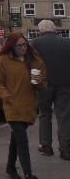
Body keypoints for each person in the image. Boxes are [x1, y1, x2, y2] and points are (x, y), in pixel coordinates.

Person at [0, 32, 47, 179]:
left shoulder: (35, 60)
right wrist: (7, 96)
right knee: (22, 139)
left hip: (28, 105)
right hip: (12, 106)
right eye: (19, 45)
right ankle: (29, 175)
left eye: (25, 44)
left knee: (16, 138)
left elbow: (44, 84)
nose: (23, 48)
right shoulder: (3, 60)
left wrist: (39, 82)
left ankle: (10, 168)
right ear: (12, 46)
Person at [32, 19, 70, 160]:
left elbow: (32, 65)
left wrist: (34, 83)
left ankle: (46, 146)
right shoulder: (67, 42)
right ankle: (66, 149)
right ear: (55, 29)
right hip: (65, 84)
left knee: (44, 114)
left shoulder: (34, 43)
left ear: (40, 30)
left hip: (43, 84)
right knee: (64, 116)